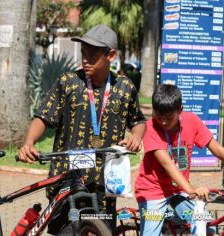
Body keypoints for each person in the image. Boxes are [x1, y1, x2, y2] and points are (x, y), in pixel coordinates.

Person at [18, 25, 146, 235]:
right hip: (67, 182)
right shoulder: (68, 83)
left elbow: (138, 120)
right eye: (83, 53)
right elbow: (43, 116)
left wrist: (136, 136)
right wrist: (29, 142)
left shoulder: (125, 88)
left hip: (105, 186)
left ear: (110, 55)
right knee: (68, 230)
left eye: (93, 55)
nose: (85, 59)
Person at [135, 84, 224, 235]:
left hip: (179, 190)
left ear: (180, 110)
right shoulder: (150, 127)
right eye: (158, 116)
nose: (163, 122)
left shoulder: (191, 121)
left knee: (205, 224)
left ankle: (171, 223)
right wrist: (192, 189)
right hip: (153, 191)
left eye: (168, 118)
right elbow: (166, 163)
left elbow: (216, 149)